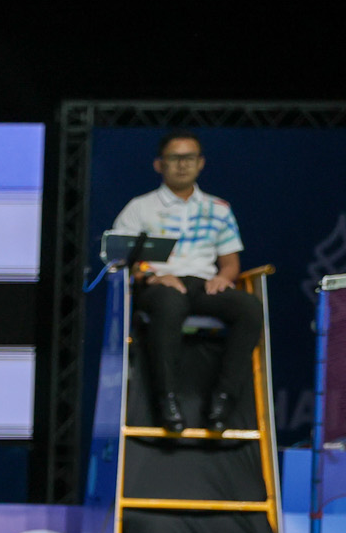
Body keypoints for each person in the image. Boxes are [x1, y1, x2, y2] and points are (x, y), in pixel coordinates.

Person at [109, 132, 264, 434]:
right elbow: (123, 257)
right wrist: (152, 274)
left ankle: (223, 400)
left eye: (189, 158)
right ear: (159, 164)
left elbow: (230, 262)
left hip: (203, 284)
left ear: (200, 163)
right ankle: (167, 401)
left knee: (249, 307)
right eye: (174, 158)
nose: (182, 165)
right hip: (157, 285)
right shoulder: (139, 207)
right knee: (170, 302)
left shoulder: (218, 208)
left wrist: (223, 278)